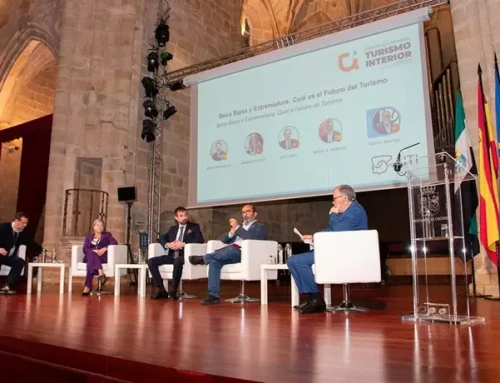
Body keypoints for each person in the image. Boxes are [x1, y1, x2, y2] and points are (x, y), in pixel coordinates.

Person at [287, 185, 367, 314]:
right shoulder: (348, 212)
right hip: (333, 250)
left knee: (298, 261)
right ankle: (311, 298)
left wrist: (333, 214)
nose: (333, 202)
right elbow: (331, 230)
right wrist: (313, 237)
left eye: (334, 198)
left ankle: (316, 300)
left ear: (344, 198)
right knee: (292, 260)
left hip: (345, 253)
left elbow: (337, 230)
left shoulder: (355, 211)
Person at [189, 204, 267, 305]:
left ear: (255, 214)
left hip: (245, 254)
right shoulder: (239, 228)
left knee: (232, 249)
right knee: (214, 262)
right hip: (229, 253)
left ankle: (204, 258)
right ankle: (213, 296)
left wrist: (238, 228)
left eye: (248, 211)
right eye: (243, 212)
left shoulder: (260, 227)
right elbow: (223, 239)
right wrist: (231, 232)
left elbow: (252, 239)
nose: (245, 214)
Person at [148, 206, 204, 300]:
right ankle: (161, 290)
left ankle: (174, 291)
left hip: (185, 255)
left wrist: (184, 244)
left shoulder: (194, 227)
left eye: (185, 215)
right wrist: (168, 245)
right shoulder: (172, 229)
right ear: (176, 218)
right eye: (181, 216)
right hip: (172, 255)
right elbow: (161, 238)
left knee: (177, 261)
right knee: (151, 261)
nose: (184, 217)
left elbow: (200, 239)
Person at [0, 212, 42, 294]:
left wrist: (45, 252)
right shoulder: (4, 227)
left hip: (8, 256)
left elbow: (32, 244)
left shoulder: (22, 233)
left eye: (26, 223)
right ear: (16, 221)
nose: (25, 225)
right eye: (23, 223)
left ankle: (8, 285)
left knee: (19, 261)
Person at [82, 219, 118, 296]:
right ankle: (100, 272)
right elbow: (85, 249)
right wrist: (94, 251)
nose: (100, 227)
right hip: (91, 255)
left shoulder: (107, 235)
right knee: (91, 254)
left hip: (102, 256)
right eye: (97, 225)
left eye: (101, 225)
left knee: (90, 262)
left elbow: (114, 242)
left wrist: (104, 248)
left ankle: (88, 286)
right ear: (93, 227)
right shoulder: (89, 237)